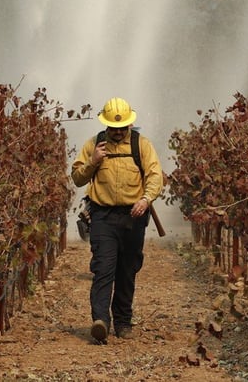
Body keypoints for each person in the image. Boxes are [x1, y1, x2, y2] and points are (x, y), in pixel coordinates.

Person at [71, 97, 164, 344]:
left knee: (127, 269)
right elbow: (77, 179)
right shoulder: (93, 145)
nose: (119, 132)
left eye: (123, 128)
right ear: (106, 126)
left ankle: (123, 321)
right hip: (102, 216)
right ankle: (100, 320)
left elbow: (155, 176)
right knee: (103, 268)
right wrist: (93, 162)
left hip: (134, 217)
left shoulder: (141, 145)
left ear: (130, 126)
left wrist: (145, 200)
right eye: (114, 128)